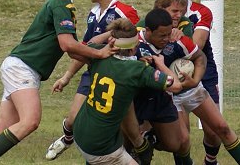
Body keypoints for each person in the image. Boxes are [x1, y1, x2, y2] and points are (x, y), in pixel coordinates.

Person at [0, 0, 117, 164]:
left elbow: (71, 50)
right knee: (30, 121)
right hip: (22, 68)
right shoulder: (62, 2)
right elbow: (67, 44)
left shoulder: (61, 3)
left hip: (17, 66)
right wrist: (99, 53)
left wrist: (97, 59)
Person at [45, 0, 149, 162]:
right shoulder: (93, 14)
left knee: (116, 128)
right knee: (73, 119)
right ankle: (68, 138)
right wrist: (66, 76)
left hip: (119, 75)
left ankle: (141, 150)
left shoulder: (124, 11)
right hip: (94, 73)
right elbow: (85, 48)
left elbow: (137, 37)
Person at [158, 0, 240, 164]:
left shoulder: (200, 12)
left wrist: (180, 35)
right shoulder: (160, 15)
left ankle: (210, 160)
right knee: (182, 139)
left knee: (215, 131)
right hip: (171, 76)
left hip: (202, 71)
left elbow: (197, 45)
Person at [73, 18, 184, 165]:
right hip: (102, 147)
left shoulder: (99, 55)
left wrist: (101, 50)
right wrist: (160, 64)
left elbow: (73, 50)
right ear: (134, 47)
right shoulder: (138, 71)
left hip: (80, 132)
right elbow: (176, 86)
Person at [133, 8, 207, 165]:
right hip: (135, 100)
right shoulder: (133, 44)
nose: (167, 38)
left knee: (175, 143)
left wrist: (195, 80)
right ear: (148, 31)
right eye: (162, 35)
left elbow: (200, 57)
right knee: (129, 149)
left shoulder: (178, 41)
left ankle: (151, 137)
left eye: (169, 33)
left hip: (162, 99)